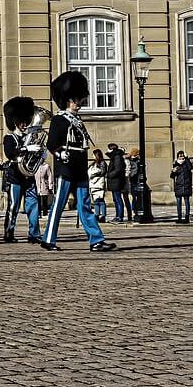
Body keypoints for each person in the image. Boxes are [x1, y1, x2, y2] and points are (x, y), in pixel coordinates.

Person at [41, 70, 115, 253]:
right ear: (67, 100)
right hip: (66, 168)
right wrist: (60, 155)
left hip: (79, 169)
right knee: (58, 205)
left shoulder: (77, 121)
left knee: (85, 206)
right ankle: (48, 239)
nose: (78, 104)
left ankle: (96, 240)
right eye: (75, 100)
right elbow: (52, 144)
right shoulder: (59, 119)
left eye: (79, 100)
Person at [1, 97, 43, 245]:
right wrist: (26, 148)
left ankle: (34, 233)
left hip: (29, 176)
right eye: (21, 122)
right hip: (15, 176)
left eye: (26, 121)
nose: (24, 125)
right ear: (15, 122)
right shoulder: (9, 137)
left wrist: (39, 153)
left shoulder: (29, 136)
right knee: (13, 206)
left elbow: (35, 155)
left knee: (33, 205)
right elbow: (10, 152)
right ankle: (9, 232)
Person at [106, 144, 130, 223]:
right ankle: (117, 216)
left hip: (116, 181)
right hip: (114, 182)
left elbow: (118, 169)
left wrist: (109, 175)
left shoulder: (117, 157)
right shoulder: (115, 156)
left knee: (118, 199)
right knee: (115, 199)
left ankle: (119, 216)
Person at [129, 153, 155, 223]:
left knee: (137, 198)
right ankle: (136, 212)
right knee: (135, 198)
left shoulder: (139, 162)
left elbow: (139, 172)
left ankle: (139, 213)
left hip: (138, 182)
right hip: (134, 182)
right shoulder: (132, 161)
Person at [170, 150, 193, 223]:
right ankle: (179, 217)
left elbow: (190, 167)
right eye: (180, 156)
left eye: (182, 156)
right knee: (178, 202)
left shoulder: (187, 164)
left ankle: (187, 217)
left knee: (187, 202)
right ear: (177, 157)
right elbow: (172, 176)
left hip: (186, 185)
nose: (181, 157)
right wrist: (173, 172)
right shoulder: (176, 164)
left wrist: (187, 158)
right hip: (179, 186)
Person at [88, 148, 108, 221]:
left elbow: (103, 172)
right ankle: (96, 214)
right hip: (93, 184)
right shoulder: (93, 163)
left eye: (93, 154)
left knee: (101, 200)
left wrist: (94, 174)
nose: (92, 156)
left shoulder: (102, 162)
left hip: (99, 184)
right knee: (96, 201)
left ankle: (103, 215)